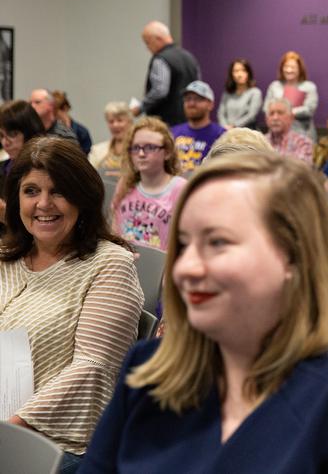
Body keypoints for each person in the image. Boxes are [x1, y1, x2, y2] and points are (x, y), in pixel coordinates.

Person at [80, 152, 328, 472]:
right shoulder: (151, 368)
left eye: (218, 243)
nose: (185, 268)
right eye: (185, 245)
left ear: (294, 257)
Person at [1, 137, 142, 470]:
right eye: (31, 191)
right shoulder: (6, 258)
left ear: (83, 198)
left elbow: (91, 370)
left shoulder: (109, 265)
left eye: (59, 191)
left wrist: (11, 429)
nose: (44, 204)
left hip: (52, 444)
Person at [112, 117, 186, 252]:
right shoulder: (125, 184)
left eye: (150, 147)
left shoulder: (180, 188)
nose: (141, 154)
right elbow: (114, 231)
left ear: (167, 152)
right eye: (136, 148)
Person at [138, 20, 200, 125]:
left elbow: (160, 91)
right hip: (188, 122)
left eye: (147, 42)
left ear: (158, 39)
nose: (147, 48)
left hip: (165, 123)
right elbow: (197, 87)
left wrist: (141, 107)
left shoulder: (161, 59)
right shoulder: (189, 57)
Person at [0, 101, 46, 225]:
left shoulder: (44, 171)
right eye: (1, 135)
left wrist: (5, 214)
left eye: (12, 134)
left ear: (30, 132)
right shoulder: (3, 167)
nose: (5, 142)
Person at [170, 80, 226, 173]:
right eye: (188, 99)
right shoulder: (172, 132)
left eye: (198, 99)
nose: (191, 103)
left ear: (211, 104)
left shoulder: (222, 135)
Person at [264, 51, 319, 140]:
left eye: (293, 67)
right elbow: (266, 108)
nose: (289, 70)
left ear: (300, 69)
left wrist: (287, 112)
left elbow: (309, 109)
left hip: (303, 132)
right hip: (277, 133)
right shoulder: (274, 86)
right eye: (286, 67)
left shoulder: (309, 86)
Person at [263, 98, 313, 164]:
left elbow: (300, 170)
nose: (275, 118)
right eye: (271, 113)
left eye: (280, 113)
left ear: (291, 117)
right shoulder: (260, 141)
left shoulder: (303, 142)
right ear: (266, 119)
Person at [88, 102, 133, 175]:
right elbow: (89, 176)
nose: (115, 125)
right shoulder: (97, 150)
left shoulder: (140, 150)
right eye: (111, 121)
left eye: (120, 120)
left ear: (130, 122)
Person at [217, 58, 262, 130]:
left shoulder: (255, 93)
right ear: (231, 74)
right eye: (236, 71)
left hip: (246, 132)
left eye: (243, 70)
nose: (239, 74)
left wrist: (234, 126)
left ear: (248, 73)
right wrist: (225, 127)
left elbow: (251, 115)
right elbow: (221, 113)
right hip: (226, 132)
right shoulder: (227, 93)